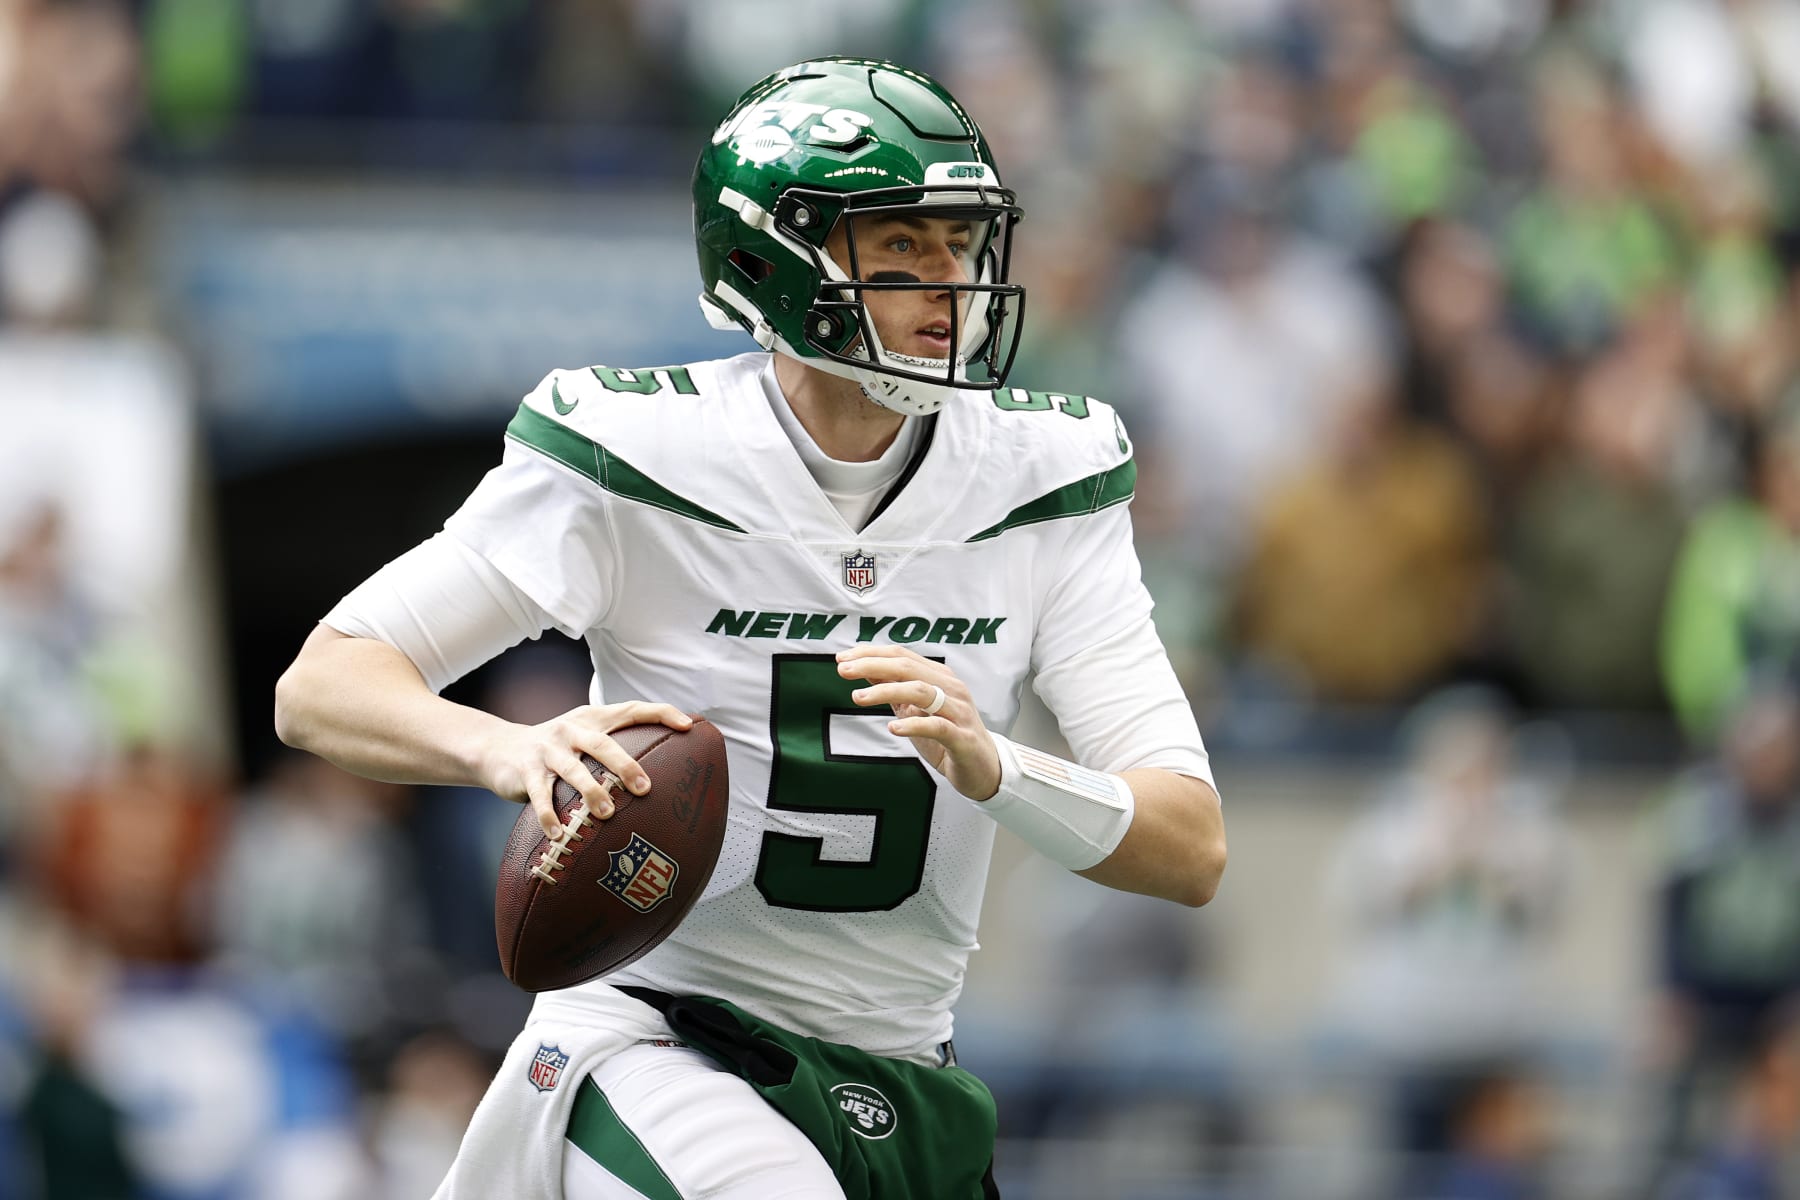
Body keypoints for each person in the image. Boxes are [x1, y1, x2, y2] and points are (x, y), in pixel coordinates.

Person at [275, 56, 1225, 1199]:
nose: (948, 284)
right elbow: (321, 686)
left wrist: (997, 768)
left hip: (899, 1068)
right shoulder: (642, 453)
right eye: (901, 247)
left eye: (960, 245)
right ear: (772, 261)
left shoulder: (1042, 478)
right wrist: (503, 748)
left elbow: (1190, 846)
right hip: (659, 1037)